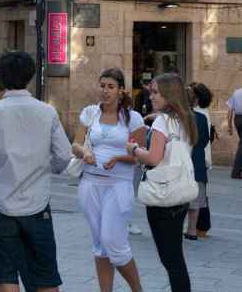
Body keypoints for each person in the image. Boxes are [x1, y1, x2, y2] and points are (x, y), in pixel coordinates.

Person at [0, 52, 72, 292]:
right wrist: (47, 169)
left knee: (4, 272)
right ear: (30, 76)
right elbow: (64, 155)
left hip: (2, 203)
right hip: (38, 204)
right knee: (45, 274)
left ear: (3, 79)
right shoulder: (47, 112)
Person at [70, 68, 145, 292]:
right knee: (100, 245)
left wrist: (119, 157)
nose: (105, 91)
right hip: (90, 184)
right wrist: (84, 153)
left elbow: (140, 155)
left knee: (113, 242)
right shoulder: (90, 113)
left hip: (119, 185)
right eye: (102, 86)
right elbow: (75, 144)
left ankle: (137, 289)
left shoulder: (133, 118)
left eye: (111, 87)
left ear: (121, 90)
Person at [126, 73, 197, 292]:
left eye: (156, 92)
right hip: (180, 194)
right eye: (151, 91)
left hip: (163, 197)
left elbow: (154, 158)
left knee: (171, 260)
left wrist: (135, 149)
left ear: (169, 94)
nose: (151, 96)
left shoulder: (162, 121)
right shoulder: (186, 119)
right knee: (175, 258)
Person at [184, 83, 211, 241]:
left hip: (182, 161)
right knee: (196, 197)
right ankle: (192, 230)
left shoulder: (177, 118)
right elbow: (206, 139)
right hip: (198, 161)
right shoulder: (201, 117)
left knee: (181, 198)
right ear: (195, 102)